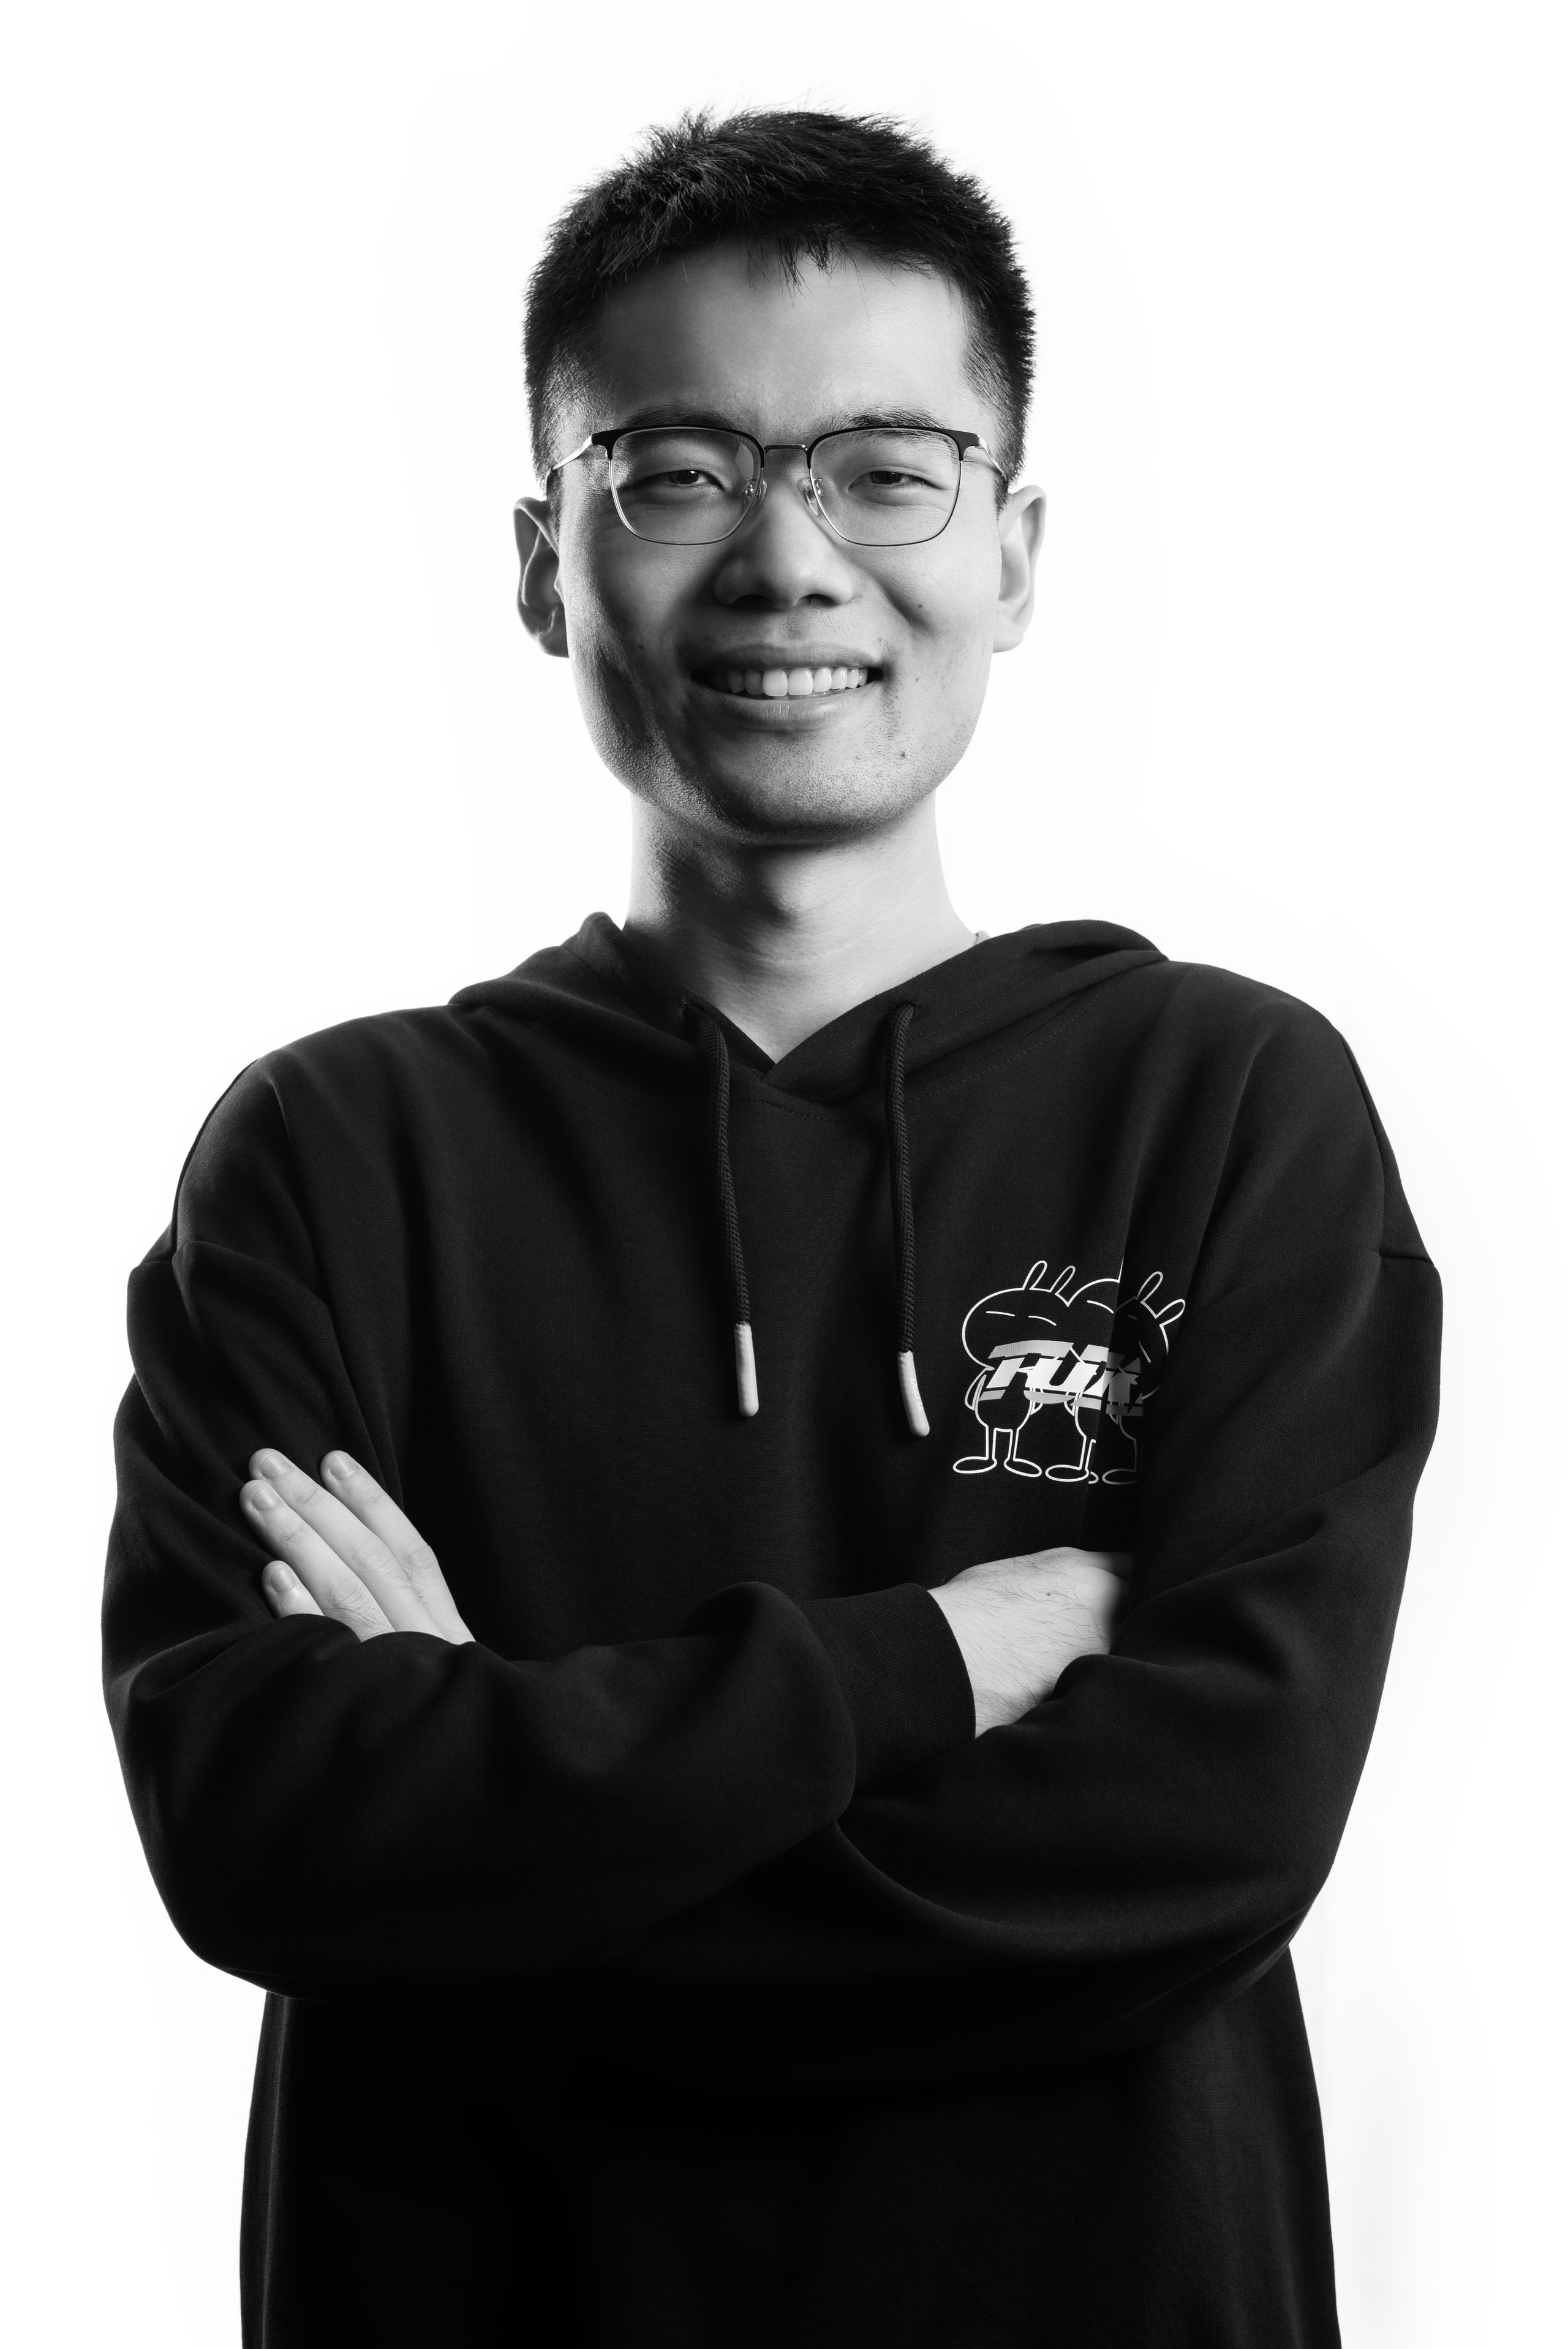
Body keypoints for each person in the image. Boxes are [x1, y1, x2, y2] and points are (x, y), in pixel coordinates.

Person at [103, 109, 1441, 2348]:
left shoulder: (1225, 1108)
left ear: (1013, 551)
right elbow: (260, 1823)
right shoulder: (334, 1154)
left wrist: (498, 1850)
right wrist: (929, 1662)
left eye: (887, 470)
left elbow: (1212, 1827)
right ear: (547, 558)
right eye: (683, 469)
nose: (791, 561)